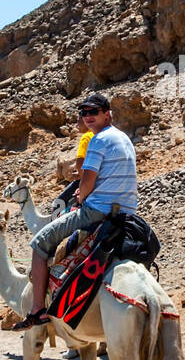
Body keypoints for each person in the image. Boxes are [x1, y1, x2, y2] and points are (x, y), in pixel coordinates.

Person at [13, 93, 138, 331]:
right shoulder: (123, 137)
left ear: (107, 113)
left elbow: (88, 178)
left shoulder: (97, 140)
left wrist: (82, 194)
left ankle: (37, 309)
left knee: (39, 242)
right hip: (127, 211)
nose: (88, 117)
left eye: (94, 112)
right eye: (84, 113)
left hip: (98, 211)